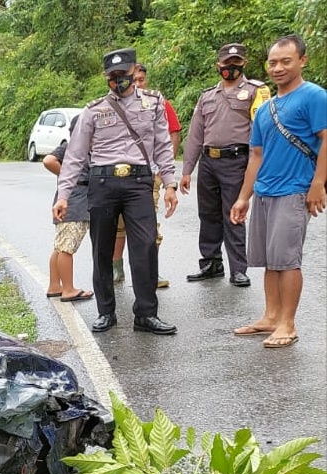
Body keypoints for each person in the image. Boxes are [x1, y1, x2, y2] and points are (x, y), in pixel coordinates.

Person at [54, 47, 179, 335]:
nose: (118, 81)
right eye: (112, 76)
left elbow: (162, 145)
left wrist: (170, 183)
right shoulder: (93, 110)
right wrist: (63, 195)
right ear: (105, 77)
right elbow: (75, 155)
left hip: (138, 183)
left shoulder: (153, 103)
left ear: (135, 72)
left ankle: (146, 314)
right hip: (103, 183)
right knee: (102, 249)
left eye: (123, 75)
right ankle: (106, 311)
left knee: (146, 246)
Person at [230, 34, 326, 348]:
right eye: (273, 62)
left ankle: (288, 322)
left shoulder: (313, 96)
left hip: (295, 190)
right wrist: (245, 197)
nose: (278, 67)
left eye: (286, 61)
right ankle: (271, 317)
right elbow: (256, 156)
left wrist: (317, 184)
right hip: (266, 192)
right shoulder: (264, 108)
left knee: (287, 259)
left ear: (302, 61)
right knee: (269, 259)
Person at [180, 43, 271, 287]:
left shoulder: (255, 91)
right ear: (218, 65)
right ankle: (210, 263)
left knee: (234, 214)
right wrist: (187, 170)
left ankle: (239, 269)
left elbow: (262, 131)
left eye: (236, 63)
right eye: (226, 64)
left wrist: (260, 165)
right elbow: (196, 134)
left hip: (237, 160)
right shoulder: (207, 96)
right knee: (207, 215)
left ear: (244, 64)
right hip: (209, 162)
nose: (230, 68)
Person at [112, 63, 181, 289]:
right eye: (135, 79)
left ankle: (151, 270)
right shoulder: (111, 103)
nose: (138, 84)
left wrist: (165, 169)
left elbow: (172, 133)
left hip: (149, 174)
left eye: (141, 79)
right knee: (118, 225)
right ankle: (116, 268)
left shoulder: (157, 102)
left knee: (147, 225)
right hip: (118, 174)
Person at [45, 115, 94, 302]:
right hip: (74, 202)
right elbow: (48, 160)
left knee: (60, 246)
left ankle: (54, 285)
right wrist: (68, 175)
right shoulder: (71, 148)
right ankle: (68, 289)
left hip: (69, 200)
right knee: (67, 247)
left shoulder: (82, 149)